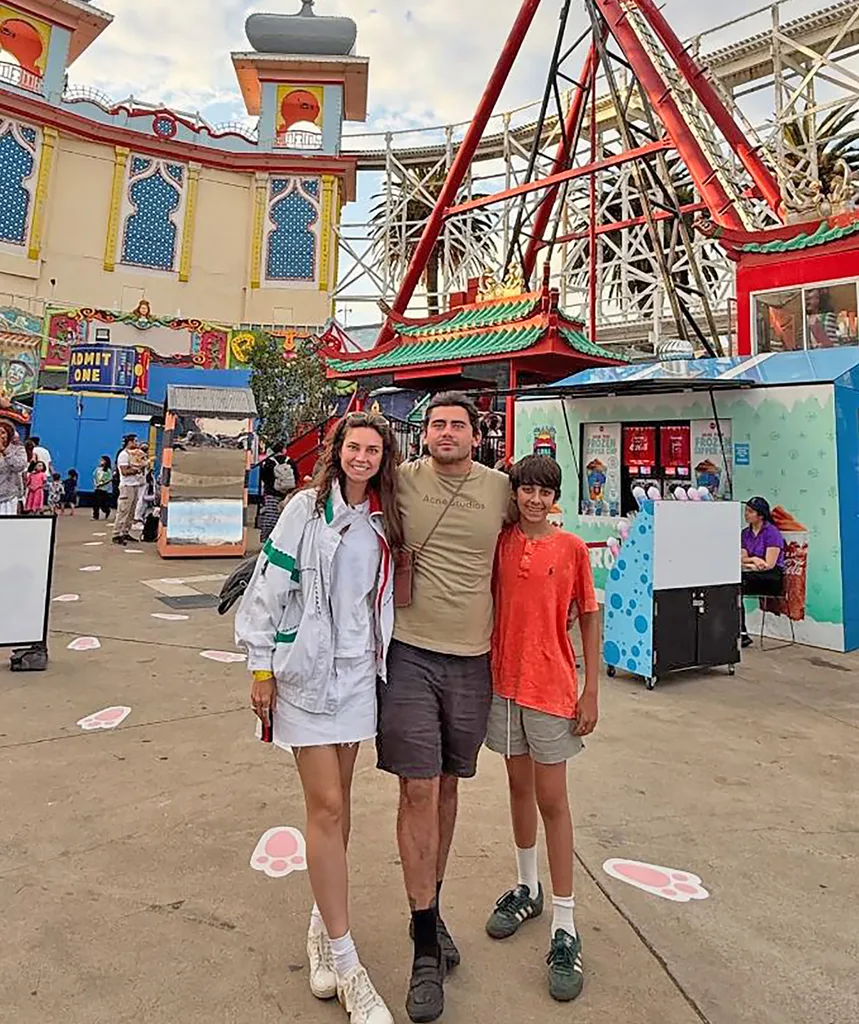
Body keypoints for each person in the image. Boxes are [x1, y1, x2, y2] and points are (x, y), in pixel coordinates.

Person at [235, 412, 403, 1024]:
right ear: (338, 452)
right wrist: (260, 666)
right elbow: (267, 587)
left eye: (373, 450)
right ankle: (348, 960)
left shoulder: (385, 518)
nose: (362, 458)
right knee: (327, 806)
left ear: (385, 459)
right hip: (304, 675)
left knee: (342, 803)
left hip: (359, 676)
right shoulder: (305, 510)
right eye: (354, 448)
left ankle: (317, 922)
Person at [377, 391, 510, 1024]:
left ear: (477, 435)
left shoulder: (501, 491)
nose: (447, 432)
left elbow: (541, 539)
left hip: (473, 659)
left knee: (451, 789)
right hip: (408, 654)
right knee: (419, 791)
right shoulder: (398, 479)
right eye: (437, 424)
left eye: (458, 424)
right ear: (423, 433)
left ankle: (430, 905)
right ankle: (425, 939)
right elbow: (333, 497)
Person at [483, 455, 600, 1002]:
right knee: (518, 788)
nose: (533, 499)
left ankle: (565, 922)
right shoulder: (500, 541)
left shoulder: (571, 548)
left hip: (552, 689)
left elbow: (588, 615)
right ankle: (526, 887)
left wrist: (590, 688)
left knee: (554, 799)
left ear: (555, 497)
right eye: (525, 489)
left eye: (543, 491)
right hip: (503, 686)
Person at [740, 496, 785, 647]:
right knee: (732, 586)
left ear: (761, 515)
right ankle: (741, 632)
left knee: (739, 583)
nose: (746, 514)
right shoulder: (745, 533)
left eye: (750, 512)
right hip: (753, 572)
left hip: (772, 577)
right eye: (746, 511)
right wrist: (754, 560)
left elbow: (769, 564)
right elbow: (742, 558)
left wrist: (754, 563)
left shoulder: (772, 532)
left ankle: (741, 632)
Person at [258, 441, 297, 544]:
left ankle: (266, 539)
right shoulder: (290, 461)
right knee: (285, 515)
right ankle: (282, 539)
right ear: (283, 450)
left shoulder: (269, 462)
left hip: (272, 492)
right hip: (287, 493)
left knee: (270, 515)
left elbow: (263, 477)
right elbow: (296, 475)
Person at [113, 435, 146, 546]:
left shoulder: (135, 454)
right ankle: (117, 534)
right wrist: (137, 469)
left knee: (131, 511)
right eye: (135, 441)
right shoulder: (124, 455)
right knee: (124, 510)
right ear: (129, 442)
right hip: (127, 486)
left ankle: (126, 531)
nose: (137, 443)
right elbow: (124, 471)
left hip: (135, 484)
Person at [0, 415, 27, 516]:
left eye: (3, 432)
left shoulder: (17, 450)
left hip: (8, 496)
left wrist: (4, 450)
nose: (0, 436)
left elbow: (19, 466)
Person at [92, 456, 113, 520]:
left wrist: (102, 483)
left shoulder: (108, 470)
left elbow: (109, 479)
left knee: (102, 503)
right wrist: (96, 483)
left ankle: (107, 510)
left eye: (102, 460)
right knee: (95, 503)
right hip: (97, 488)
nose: (101, 461)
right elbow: (94, 476)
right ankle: (95, 516)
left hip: (104, 489)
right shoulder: (97, 469)